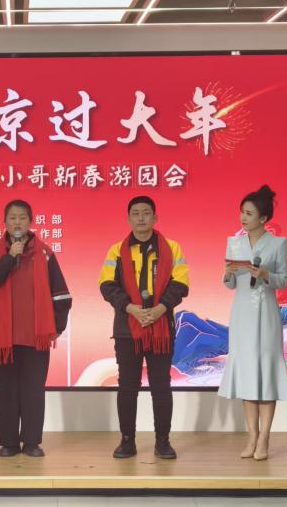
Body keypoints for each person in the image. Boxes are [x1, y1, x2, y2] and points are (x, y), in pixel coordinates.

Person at [0, 199, 72, 458]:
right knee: (6, 389)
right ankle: (9, 442)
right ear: (4, 222)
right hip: (3, 335)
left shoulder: (45, 253)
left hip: (35, 335)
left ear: (30, 221)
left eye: (22, 217)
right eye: (12, 217)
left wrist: (57, 326)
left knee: (33, 389)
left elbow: (61, 293)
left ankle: (31, 442)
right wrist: (10, 257)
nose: (17, 222)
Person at [98, 195, 189, 459]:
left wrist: (160, 309)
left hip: (161, 327)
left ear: (155, 217)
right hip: (128, 328)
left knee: (161, 386)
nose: (141, 218)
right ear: (128, 219)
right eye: (135, 213)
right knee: (128, 386)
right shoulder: (116, 250)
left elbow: (180, 284)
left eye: (146, 213)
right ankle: (127, 441)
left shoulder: (172, 248)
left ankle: (163, 442)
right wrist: (131, 308)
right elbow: (107, 286)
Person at [219, 185, 287, 461]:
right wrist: (227, 273)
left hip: (266, 313)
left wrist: (265, 275)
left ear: (263, 218)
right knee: (247, 372)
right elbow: (230, 285)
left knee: (265, 371)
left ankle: (264, 438)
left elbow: (284, 281)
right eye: (242, 212)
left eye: (249, 213)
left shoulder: (278, 244)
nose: (243, 217)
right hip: (241, 314)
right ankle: (251, 436)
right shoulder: (234, 243)